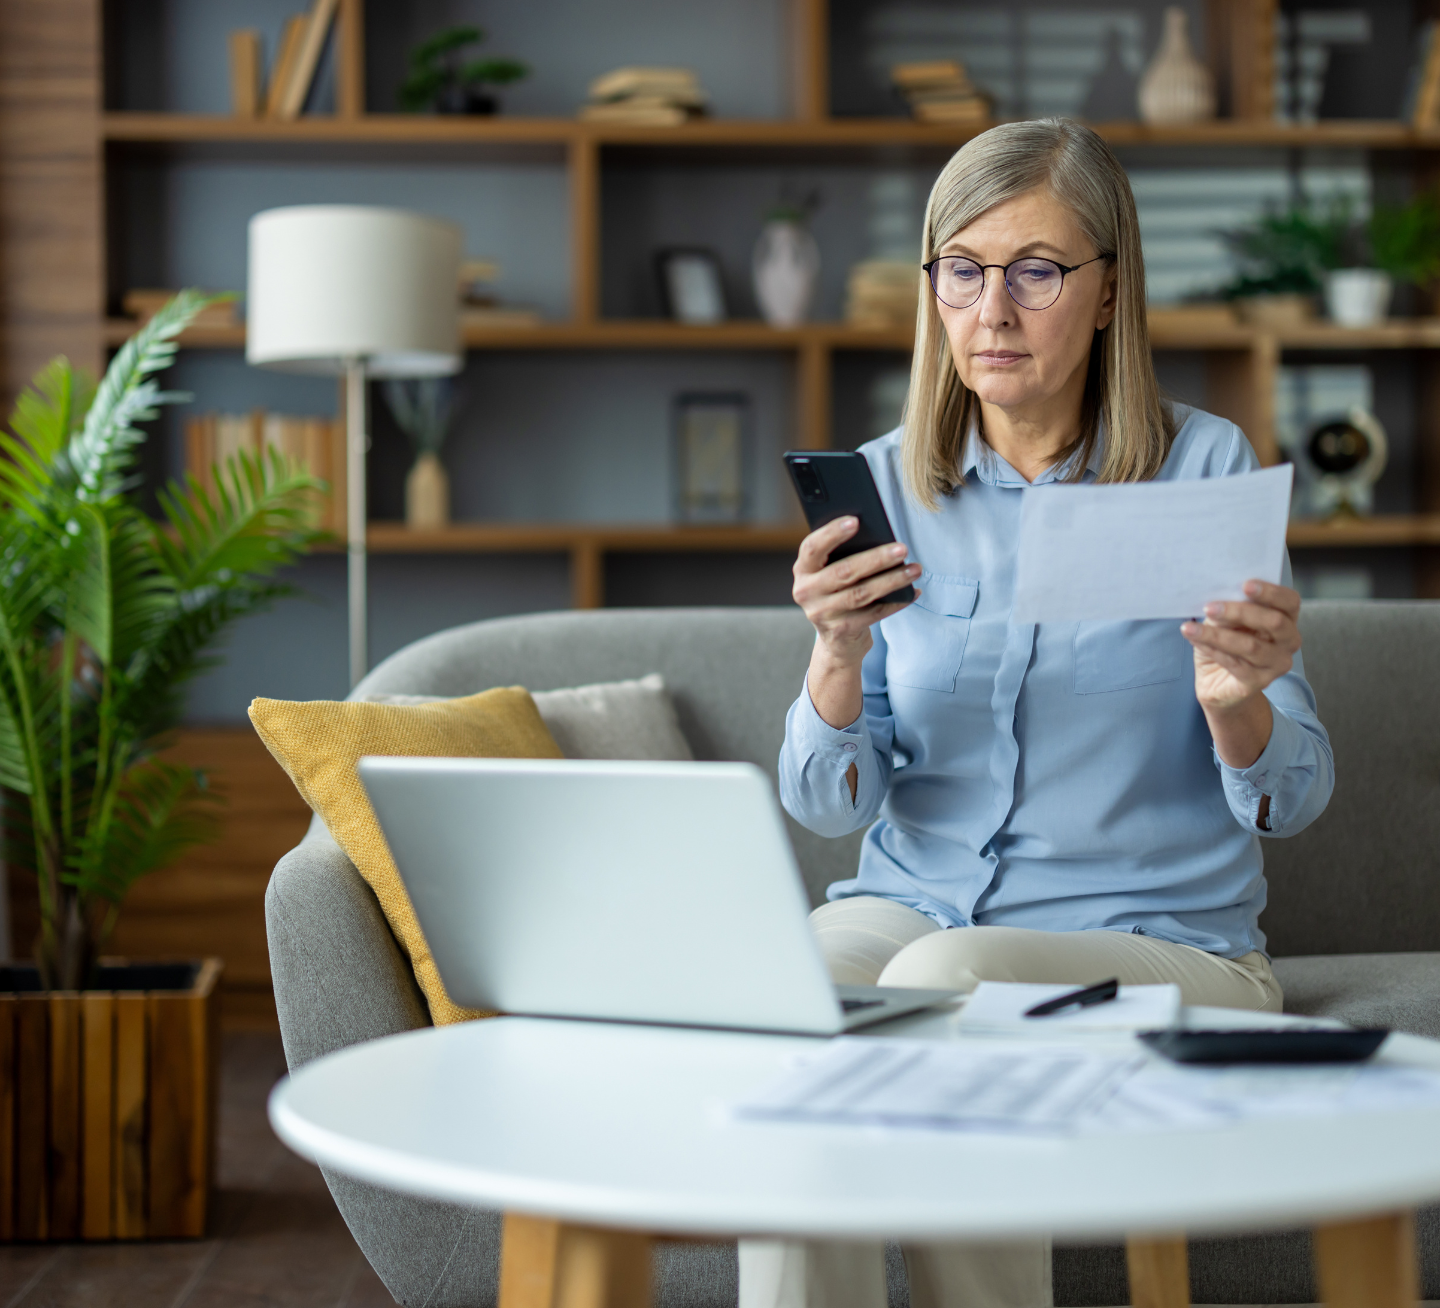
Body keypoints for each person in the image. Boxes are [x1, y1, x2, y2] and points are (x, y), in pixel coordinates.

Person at [741, 118, 1333, 1308]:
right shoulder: (890, 483)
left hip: (1167, 944)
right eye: (962, 270)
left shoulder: (1202, 469)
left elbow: (1296, 797)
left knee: (955, 976)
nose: (992, 312)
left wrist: (1237, 704)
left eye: (1037, 271)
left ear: (1109, 292)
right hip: (906, 906)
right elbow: (823, 804)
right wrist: (837, 659)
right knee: (781, 1000)